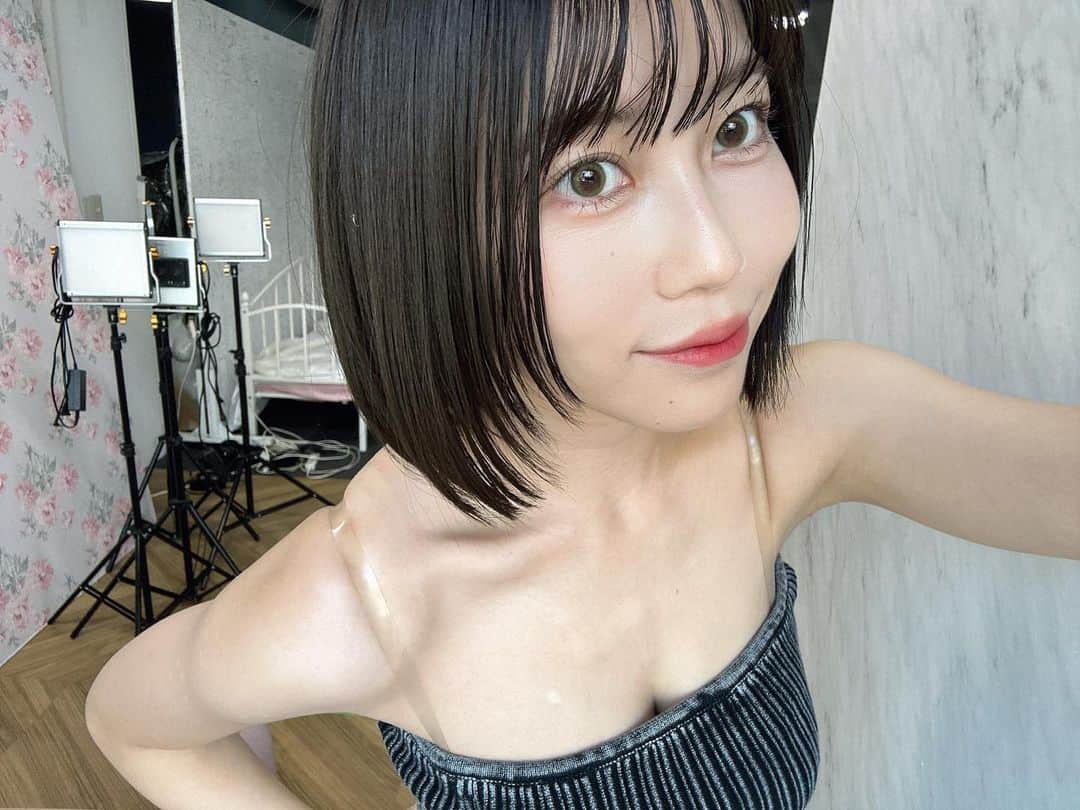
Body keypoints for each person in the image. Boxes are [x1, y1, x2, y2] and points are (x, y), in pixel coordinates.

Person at [83, 0, 1080, 807]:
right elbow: (133, 722)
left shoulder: (792, 432)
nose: (717, 255)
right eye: (590, 175)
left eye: (736, 127)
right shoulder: (372, 596)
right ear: (419, 216)